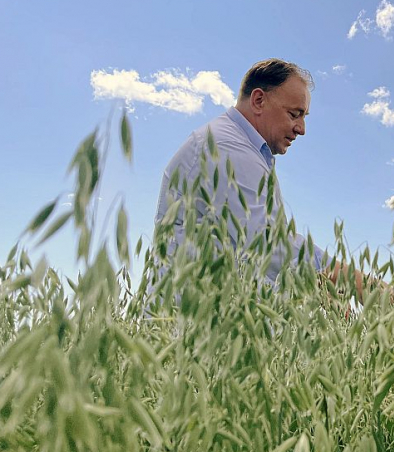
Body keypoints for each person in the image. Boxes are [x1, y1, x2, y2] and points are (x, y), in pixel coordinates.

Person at [154, 58, 371, 298]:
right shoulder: (227, 148)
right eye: (294, 114)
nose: (301, 128)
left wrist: (314, 290)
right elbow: (267, 245)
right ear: (259, 100)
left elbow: (247, 261)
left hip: (208, 316)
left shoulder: (245, 150)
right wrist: (352, 280)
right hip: (189, 322)